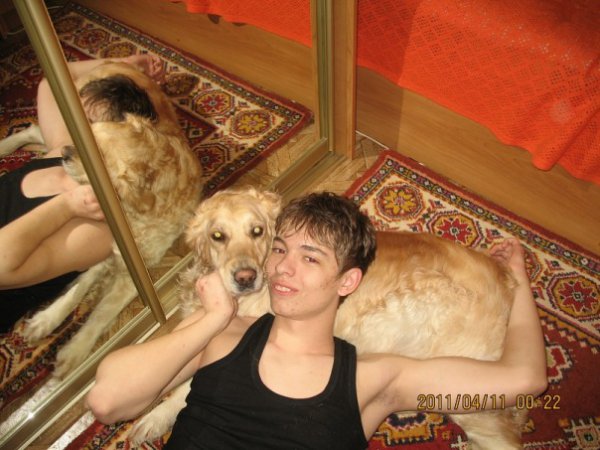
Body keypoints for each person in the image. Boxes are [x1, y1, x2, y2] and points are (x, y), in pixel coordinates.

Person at [86, 192, 548, 449]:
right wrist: (214, 318)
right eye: (279, 250)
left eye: (310, 258)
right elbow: (107, 401)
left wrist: (516, 281)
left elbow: (526, 380)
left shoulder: (376, 380)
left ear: (348, 282)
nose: (283, 268)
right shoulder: (224, 335)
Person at [0, 54, 165, 332]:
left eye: (85, 120)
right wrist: (122, 62)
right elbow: (51, 83)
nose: (72, 121)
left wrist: (66, 206)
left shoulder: (98, 225)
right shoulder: (67, 150)